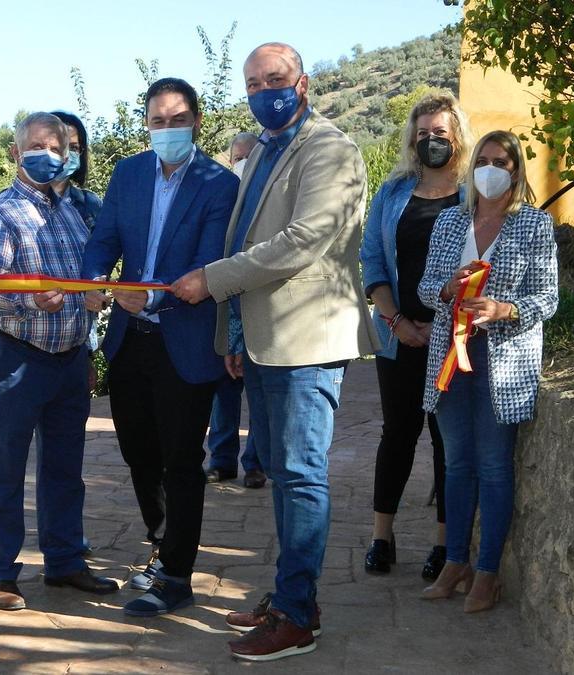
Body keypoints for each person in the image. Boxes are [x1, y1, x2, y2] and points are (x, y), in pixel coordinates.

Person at [172, 42, 377, 662]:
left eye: (277, 79)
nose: (265, 90)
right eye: (254, 82)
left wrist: (214, 281)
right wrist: (236, 334)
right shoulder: (262, 148)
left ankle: (296, 616)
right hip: (262, 343)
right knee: (286, 478)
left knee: (300, 477)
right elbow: (245, 233)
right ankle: (292, 598)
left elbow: (301, 241)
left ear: (303, 82)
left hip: (305, 340)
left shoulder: (331, 149)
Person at [81, 77, 238, 617]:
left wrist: (146, 294)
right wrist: (96, 281)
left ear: (196, 121)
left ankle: (176, 576)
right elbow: (103, 239)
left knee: (181, 461)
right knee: (138, 454)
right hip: (129, 341)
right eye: (157, 121)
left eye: (177, 120)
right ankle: (161, 542)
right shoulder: (126, 174)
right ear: (146, 123)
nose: (166, 129)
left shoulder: (218, 184)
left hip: (186, 339)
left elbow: (210, 260)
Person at [0, 112, 117, 611]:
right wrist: (33, 301)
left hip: (71, 357)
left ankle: (65, 562)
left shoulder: (78, 212)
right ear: (16, 152)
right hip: (18, 358)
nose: (48, 154)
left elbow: (89, 279)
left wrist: (91, 300)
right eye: (37, 145)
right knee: (4, 468)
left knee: (65, 468)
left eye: (56, 146)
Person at [417, 129, 558, 613]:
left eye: (501, 161)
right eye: (484, 159)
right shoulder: (451, 221)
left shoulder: (534, 225)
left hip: (504, 365)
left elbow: (547, 298)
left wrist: (505, 309)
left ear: (516, 171)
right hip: (451, 361)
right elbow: (425, 287)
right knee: (457, 464)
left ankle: (488, 574)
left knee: (495, 469)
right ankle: (455, 562)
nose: (491, 169)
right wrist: (443, 289)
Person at [359, 92, 474, 580]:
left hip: (455, 339)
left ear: (458, 138)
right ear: (411, 138)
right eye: (423, 133)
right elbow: (372, 259)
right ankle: (381, 537)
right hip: (398, 335)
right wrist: (397, 322)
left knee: (447, 439)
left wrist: (444, 325)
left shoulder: (475, 193)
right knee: (398, 435)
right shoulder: (393, 192)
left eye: (441, 134)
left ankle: (444, 544)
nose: (432, 141)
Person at [204, 132, 266, 490]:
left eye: (249, 157)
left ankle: (255, 464)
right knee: (223, 395)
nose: (243, 163)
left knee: (258, 395)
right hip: (224, 313)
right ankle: (222, 460)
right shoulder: (222, 199)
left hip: (258, 312)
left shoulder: (265, 202)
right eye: (237, 157)